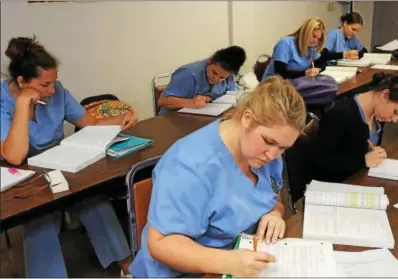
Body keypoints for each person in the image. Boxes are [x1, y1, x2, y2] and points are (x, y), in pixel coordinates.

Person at [129, 76, 307, 277]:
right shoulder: (190, 165)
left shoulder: (264, 153)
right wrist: (228, 262)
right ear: (247, 119)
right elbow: (161, 243)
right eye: (268, 141)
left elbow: (269, 196)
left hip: (242, 254)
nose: (274, 155)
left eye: (283, 148)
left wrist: (274, 212)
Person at [0, 36, 137, 277]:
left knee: (95, 201)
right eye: (45, 85)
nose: (53, 90)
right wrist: (22, 105)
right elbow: (14, 156)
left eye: (54, 82)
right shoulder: (3, 101)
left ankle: (127, 266)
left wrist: (120, 120)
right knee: (41, 221)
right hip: (24, 178)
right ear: (22, 82)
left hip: (61, 164)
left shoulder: (58, 92)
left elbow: (90, 122)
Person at [308, 72, 398, 183]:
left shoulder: (378, 115)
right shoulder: (340, 114)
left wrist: (375, 155)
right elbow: (319, 162)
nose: (395, 120)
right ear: (385, 95)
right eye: (396, 112)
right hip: (337, 186)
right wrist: (363, 161)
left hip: (359, 179)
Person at [157, 46, 246, 115]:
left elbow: (231, 96)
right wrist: (190, 102)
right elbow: (162, 101)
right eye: (214, 73)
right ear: (210, 60)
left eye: (222, 78)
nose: (216, 79)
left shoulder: (229, 76)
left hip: (202, 119)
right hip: (172, 120)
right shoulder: (188, 74)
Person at [262, 17, 341, 80]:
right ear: (306, 32)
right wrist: (305, 73)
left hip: (295, 84)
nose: (315, 41)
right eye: (314, 36)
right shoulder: (285, 43)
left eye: (318, 39)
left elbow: (321, 59)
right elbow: (280, 73)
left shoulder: (310, 46)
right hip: (273, 87)